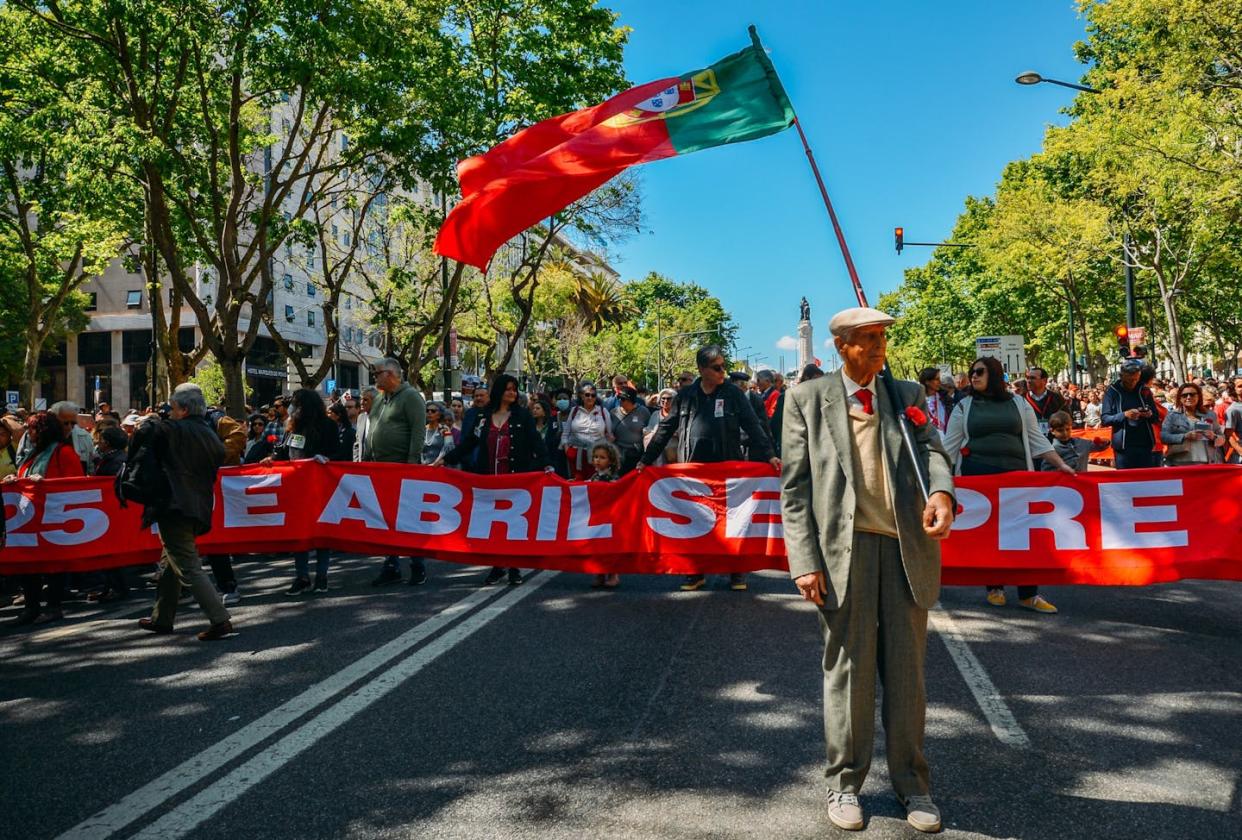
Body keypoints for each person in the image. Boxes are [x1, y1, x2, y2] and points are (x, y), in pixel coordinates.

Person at [781, 307, 956, 834]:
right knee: (849, 675)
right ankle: (844, 784)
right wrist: (804, 561)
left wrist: (943, 491)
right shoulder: (805, 400)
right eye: (866, 340)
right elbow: (794, 491)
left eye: (882, 338)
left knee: (907, 677)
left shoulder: (907, 397)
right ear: (840, 346)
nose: (878, 348)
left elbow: (933, 451)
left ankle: (912, 785)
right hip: (841, 555)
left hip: (905, 550)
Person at [639, 344, 778, 593]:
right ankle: (696, 572)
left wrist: (770, 455)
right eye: (717, 367)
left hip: (727, 471)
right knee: (694, 520)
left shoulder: (733, 395)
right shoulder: (686, 395)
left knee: (733, 519)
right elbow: (665, 429)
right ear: (702, 369)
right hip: (693, 471)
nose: (723, 371)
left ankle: (736, 571)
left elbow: (754, 425)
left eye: (723, 366)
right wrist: (646, 460)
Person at [942, 356, 1075, 614]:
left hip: (1017, 480)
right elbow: (949, 445)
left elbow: (1036, 439)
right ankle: (995, 587)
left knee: (1024, 536)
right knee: (989, 536)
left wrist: (1061, 465)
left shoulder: (1018, 403)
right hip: (978, 481)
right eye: (972, 372)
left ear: (993, 373)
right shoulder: (964, 406)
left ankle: (1029, 594)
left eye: (980, 371)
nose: (974, 376)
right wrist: (932, 474)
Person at [131, 384, 233, 641]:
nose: (170, 412)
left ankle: (219, 619)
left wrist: (151, 421)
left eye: (173, 408)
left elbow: (145, 436)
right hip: (197, 505)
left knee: (186, 564)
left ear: (184, 409)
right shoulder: (210, 435)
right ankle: (161, 618)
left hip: (174, 505)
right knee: (171, 561)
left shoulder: (173, 430)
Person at [442, 374, 551, 586]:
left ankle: (514, 567)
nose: (512, 392)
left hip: (514, 479)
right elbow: (470, 443)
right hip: (488, 480)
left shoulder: (522, 417)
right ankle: (497, 565)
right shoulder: (483, 417)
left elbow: (537, 443)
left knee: (512, 524)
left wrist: (547, 465)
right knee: (493, 524)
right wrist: (446, 460)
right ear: (499, 390)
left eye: (515, 389)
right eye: (508, 388)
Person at [4, 412, 85, 625]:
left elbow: (75, 485)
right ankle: (31, 608)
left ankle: (53, 607)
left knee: (53, 566)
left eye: (32, 429)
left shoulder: (64, 452)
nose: (28, 433)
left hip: (53, 518)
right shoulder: (33, 454)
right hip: (30, 519)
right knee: (28, 564)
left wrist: (46, 482)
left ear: (43, 430)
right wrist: (15, 480)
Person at [262, 388, 341, 595]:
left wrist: (326, 459)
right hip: (296, 487)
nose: (291, 407)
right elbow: (282, 451)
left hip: (320, 487)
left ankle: (321, 575)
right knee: (299, 532)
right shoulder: (292, 426)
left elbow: (338, 453)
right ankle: (302, 576)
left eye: (295, 403)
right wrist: (272, 459)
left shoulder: (328, 426)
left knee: (322, 531)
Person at [365, 359, 428, 587]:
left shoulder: (411, 397)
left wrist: (411, 465)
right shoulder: (380, 398)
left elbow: (418, 432)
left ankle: (417, 564)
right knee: (385, 520)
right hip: (380, 469)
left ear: (391, 374)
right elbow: (371, 429)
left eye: (377, 373)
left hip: (402, 469)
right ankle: (391, 565)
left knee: (408, 520)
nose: (375, 377)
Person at [1101, 359, 1162, 469]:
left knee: (1146, 479)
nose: (1133, 383)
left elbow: (1156, 417)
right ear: (1121, 376)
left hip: (1145, 444)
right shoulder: (1112, 392)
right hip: (1124, 447)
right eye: (1128, 381)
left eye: (1135, 380)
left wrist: (1149, 414)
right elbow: (1105, 419)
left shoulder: (1144, 390)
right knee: (1125, 480)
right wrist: (1124, 415)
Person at [1163, 383, 1226, 466]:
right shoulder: (1172, 416)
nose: (1188, 397)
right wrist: (1185, 436)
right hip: (1181, 464)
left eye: (1192, 394)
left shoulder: (1210, 415)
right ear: (1180, 398)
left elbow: (1222, 439)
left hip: (1208, 463)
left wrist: (1214, 437)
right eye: (1185, 395)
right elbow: (1164, 437)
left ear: (1198, 396)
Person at [587, 442, 622, 590]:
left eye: (602, 457)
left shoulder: (612, 478)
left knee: (609, 547)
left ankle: (613, 574)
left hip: (609, 517)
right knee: (596, 545)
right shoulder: (594, 476)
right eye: (595, 457)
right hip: (596, 516)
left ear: (611, 460)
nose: (597, 460)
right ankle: (599, 573)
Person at [562, 384, 611, 480]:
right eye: (587, 394)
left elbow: (609, 435)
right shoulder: (574, 411)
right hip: (576, 455)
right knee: (577, 484)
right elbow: (565, 433)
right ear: (581, 395)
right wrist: (567, 450)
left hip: (597, 456)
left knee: (596, 484)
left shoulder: (603, 411)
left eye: (593, 395)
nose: (590, 398)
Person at [1042, 410, 1107, 473]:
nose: (1065, 433)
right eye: (1060, 430)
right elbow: (1045, 472)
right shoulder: (1051, 451)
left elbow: (1099, 447)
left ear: (1071, 427)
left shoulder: (1082, 443)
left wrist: (1104, 443)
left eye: (1067, 429)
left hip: (1081, 482)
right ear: (1052, 431)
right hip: (1063, 483)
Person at [609, 386, 650, 475]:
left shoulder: (643, 412)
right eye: (618, 398)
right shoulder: (613, 413)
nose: (620, 400)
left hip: (636, 454)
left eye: (623, 399)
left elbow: (649, 430)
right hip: (618, 454)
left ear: (631, 400)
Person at [52, 400, 96, 475]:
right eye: (65, 423)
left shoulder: (85, 436)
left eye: (73, 423)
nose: (69, 427)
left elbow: (91, 466)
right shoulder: (45, 437)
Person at [1023, 367, 1066, 435]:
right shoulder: (1022, 399)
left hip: (1053, 441)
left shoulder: (1057, 398)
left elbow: (1065, 419)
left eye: (1032, 378)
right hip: (1030, 440)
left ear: (1044, 381)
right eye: (1027, 378)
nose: (1028, 381)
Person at [530, 397, 566, 477]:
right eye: (533, 408)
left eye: (538, 408)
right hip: (534, 463)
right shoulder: (530, 426)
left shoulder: (552, 426)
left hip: (549, 462)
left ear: (544, 411)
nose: (534, 410)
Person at [643, 388, 679, 465]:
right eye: (663, 398)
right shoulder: (655, 414)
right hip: (657, 455)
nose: (665, 401)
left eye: (669, 399)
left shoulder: (678, 415)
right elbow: (649, 430)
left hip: (673, 455)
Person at [918, 367, 950, 438]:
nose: (940, 382)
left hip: (947, 438)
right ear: (927, 382)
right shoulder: (918, 400)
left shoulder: (945, 398)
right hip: (929, 441)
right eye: (937, 379)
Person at [352, 387, 376, 462]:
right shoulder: (361, 417)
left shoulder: (383, 416)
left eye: (365, 400)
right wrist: (356, 462)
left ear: (375, 401)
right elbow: (357, 443)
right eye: (361, 399)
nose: (361, 402)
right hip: (362, 465)